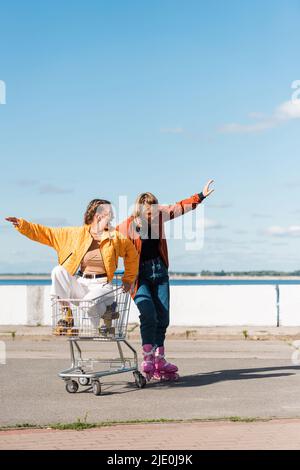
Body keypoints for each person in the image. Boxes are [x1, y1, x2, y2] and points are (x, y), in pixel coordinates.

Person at [117, 180, 214, 381]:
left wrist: (200, 196)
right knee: (149, 314)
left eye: (154, 210)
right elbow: (108, 240)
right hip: (139, 276)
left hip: (160, 272)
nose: (152, 215)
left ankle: (159, 359)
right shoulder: (126, 226)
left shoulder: (160, 215)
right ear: (140, 210)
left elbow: (180, 207)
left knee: (163, 317)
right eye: (148, 212)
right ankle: (148, 357)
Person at [5, 199, 139, 331]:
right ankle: (71, 314)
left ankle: (107, 310)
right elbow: (46, 233)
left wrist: (128, 279)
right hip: (82, 283)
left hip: (103, 285)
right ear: (97, 215)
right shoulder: (75, 234)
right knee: (58, 271)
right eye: (109, 212)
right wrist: (22, 224)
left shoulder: (115, 237)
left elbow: (132, 255)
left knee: (88, 303)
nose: (113, 216)